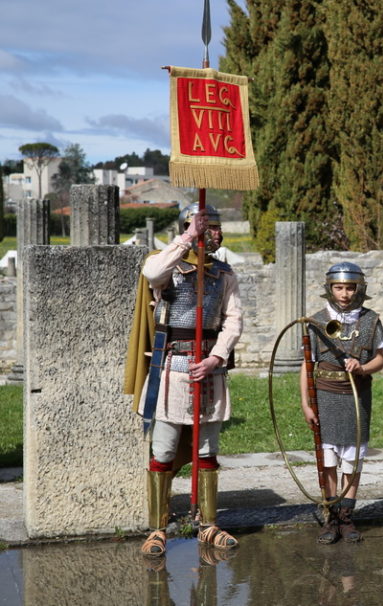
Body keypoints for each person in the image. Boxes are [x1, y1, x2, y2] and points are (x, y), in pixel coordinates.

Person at [125, 202, 243, 556]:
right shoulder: (166, 265)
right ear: (191, 227)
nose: (216, 232)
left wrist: (215, 357)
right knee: (162, 448)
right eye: (209, 225)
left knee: (208, 449)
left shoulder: (224, 274)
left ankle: (208, 524)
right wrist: (188, 237)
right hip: (172, 368)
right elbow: (151, 274)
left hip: (208, 368)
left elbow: (233, 320)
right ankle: (157, 528)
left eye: (217, 226)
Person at [301, 262, 383, 544]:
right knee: (327, 460)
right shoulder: (317, 321)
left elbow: (380, 359)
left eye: (350, 287)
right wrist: (306, 403)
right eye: (339, 287)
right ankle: (331, 516)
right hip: (325, 397)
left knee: (351, 459)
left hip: (356, 397)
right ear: (330, 289)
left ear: (359, 289)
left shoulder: (370, 320)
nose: (345, 293)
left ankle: (347, 517)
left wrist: (362, 368)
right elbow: (307, 365)